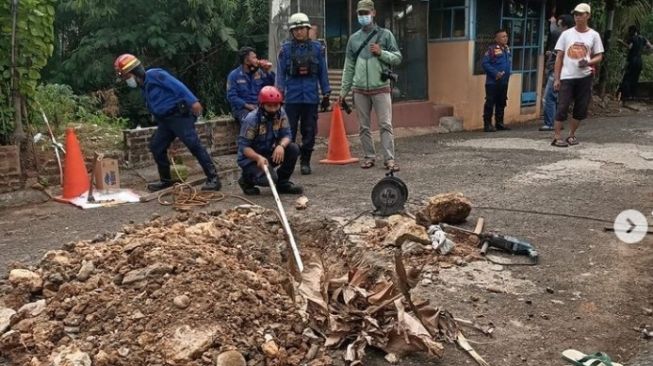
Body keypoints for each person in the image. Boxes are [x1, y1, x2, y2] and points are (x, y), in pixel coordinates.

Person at [113, 54, 221, 192]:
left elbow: (178, 86)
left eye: (124, 75)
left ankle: (214, 179)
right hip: (165, 121)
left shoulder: (155, 75)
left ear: (131, 71)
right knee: (156, 146)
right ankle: (166, 181)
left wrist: (193, 102)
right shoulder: (143, 84)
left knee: (194, 145)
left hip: (178, 117)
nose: (125, 79)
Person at [336, 0, 402, 172]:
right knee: (363, 126)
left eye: (366, 13)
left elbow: (397, 57)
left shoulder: (386, 35)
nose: (363, 16)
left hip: (380, 87)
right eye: (360, 13)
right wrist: (343, 91)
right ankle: (369, 157)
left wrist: (382, 53)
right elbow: (348, 66)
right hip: (360, 90)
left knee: (385, 125)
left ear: (373, 13)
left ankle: (389, 160)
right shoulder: (353, 39)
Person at [276, 12, 331, 175]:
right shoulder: (285, 50)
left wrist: (326, 93)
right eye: (296, 29)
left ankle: (305, 161)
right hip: (291, 98)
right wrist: (279, 95)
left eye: (302, 28)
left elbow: (323, 72)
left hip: (310, 98)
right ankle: (288, 162)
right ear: (292, 32)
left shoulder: (317, 49)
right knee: (288, 131)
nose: (299, 32)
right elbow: (280, 74)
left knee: (309, 130)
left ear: (307, 29)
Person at [551, 3, 604, 147]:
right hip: (567, 76)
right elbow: (559, 57)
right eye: (576, 14)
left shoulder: (594, 35)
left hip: (585, 76)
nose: (578, 17)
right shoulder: (566, 34)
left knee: (580, 108)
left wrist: (588, 62)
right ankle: (557, 137)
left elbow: (599, 56)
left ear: (588, 16)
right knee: (562, 106)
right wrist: (557, 78)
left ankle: (571, 135)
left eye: (581, 14)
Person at [237, 86, 303, 196]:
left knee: (293, 149)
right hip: (251, 159)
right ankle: (246, 180)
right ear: (262, 105)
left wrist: (281, 146)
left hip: (268, 152)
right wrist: (258, 158)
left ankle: (283, 184)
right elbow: (244, 147)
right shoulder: (251, 120)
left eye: (276, 105)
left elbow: (287, 135)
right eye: (269, 106)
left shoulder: (281, 113)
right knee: (271, 179)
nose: (273, 109)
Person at [540, 14, 575, 131]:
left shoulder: (564, 35)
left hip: (557, 72)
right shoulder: (572, 37)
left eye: (560, 25)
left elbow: (554, 31)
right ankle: (557, 122)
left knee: (548, 98)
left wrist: (552, 22)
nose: (558, 28)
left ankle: (550, 123)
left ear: (565, 26)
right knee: (556, 98)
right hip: (564, 72)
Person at [227, 47, 275, 124]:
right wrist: (247, 106)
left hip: (259, 107)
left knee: (275, 119)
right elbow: (232, 97)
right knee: (251, 120)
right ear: (246, 60)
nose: (257, 60)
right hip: (242, 109)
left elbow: (270, 87)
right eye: (254, 58)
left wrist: (267, 72)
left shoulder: (260, 72)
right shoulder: (234, 75)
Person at [482, 29, 512, 132]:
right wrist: (495, 73)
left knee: (502, 102)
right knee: (490, 102)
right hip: (493, 82)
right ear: (497, 39)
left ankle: (499, 123)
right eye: (503, 36)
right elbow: (485, 63)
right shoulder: (492, 49)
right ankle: (487, 124)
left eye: (506, 36)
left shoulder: (507, 49)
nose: (505, 38)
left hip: (504, 81)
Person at [618, 25, 652, 103]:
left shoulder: (632, 38)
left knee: (628, 77)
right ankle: (633, 95)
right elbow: (650, 46)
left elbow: (629, 47)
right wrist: (643, 50)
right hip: (639, 60)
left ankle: (626, 95)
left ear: (632, 31)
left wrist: (621, 42)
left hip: (632, 60)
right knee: (635, 77)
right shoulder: (643, 38)